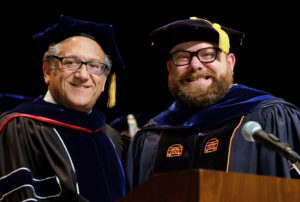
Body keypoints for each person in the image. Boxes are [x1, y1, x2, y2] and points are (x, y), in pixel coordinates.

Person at [125, 17, 300, 190]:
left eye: (208, 55)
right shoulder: (151, 136)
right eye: (182, 57)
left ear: (230, 63)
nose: (195, 65)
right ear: (170, 69)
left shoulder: (268, 117)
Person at [0, 15, 126, 201]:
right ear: (47, 72)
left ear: (104, 82)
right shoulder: (20, 128)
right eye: (71, 62)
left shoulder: (110, 138)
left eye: (94, 66)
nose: (83, 75)